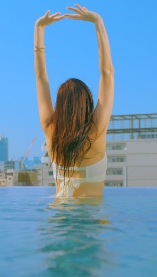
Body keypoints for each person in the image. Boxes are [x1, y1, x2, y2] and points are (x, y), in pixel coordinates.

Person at [34, 4, 114, 198]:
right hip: (91, 222)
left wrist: (39, 29)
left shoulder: (50, 129)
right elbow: (107, 73)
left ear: (60, 106)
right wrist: (98, 22)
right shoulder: (96, 130)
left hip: (59, 219)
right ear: (87, 104)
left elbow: (41, 77)